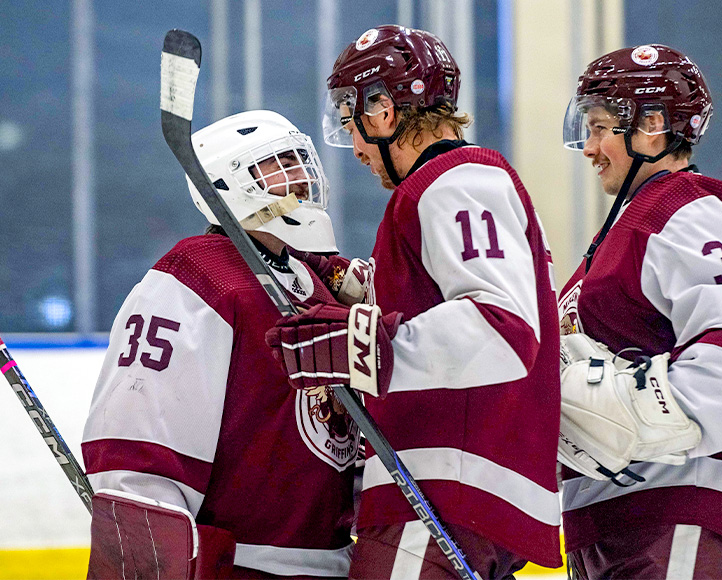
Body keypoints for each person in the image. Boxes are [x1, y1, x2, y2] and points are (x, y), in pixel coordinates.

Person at [264, 25, 563, 580]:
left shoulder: (455, 181)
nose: (353, 148)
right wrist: (359, 289)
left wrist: (363, 345)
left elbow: (503, 329)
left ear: (382, 111)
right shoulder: (460, 184)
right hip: (462, 488)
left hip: (445, 487)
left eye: (352, 123)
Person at [82, 110, 366, 579]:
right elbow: (138, 442)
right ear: (226, 184)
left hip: (334, 562)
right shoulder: (198, 276)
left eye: (301, 160)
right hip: (242, 565)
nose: (300, 176)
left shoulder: (312, 281)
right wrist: (149, 547)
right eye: (279, 163)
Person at [555, 45, 722, 579]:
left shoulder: (694, 210)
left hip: (686, 518)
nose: (589, 147)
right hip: (621, 529)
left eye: (599, 127)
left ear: (651, 126)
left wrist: (614, 413)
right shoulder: (620, 234)